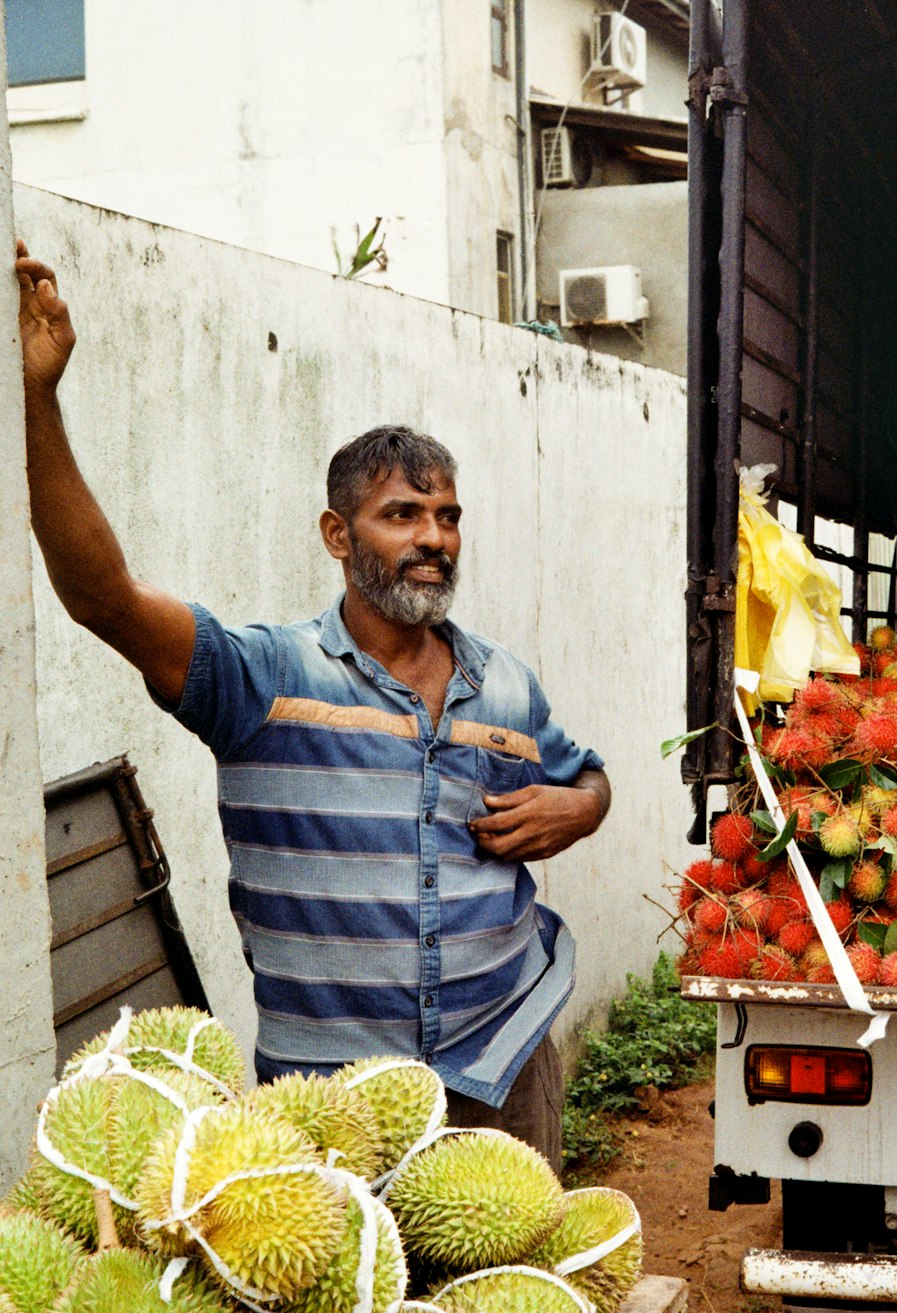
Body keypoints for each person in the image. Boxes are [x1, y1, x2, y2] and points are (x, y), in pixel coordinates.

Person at [16, 243, 610, 1168]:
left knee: (513, 1309)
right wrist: (40, 402)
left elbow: (588, 779)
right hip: (335, 1104)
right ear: (339, 534)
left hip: (504, 1063)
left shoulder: (504, 682)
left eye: (447, 516)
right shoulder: (263, 679)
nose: (433, 538)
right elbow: (103, 599)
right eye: (403, 514)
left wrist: (576, 807)